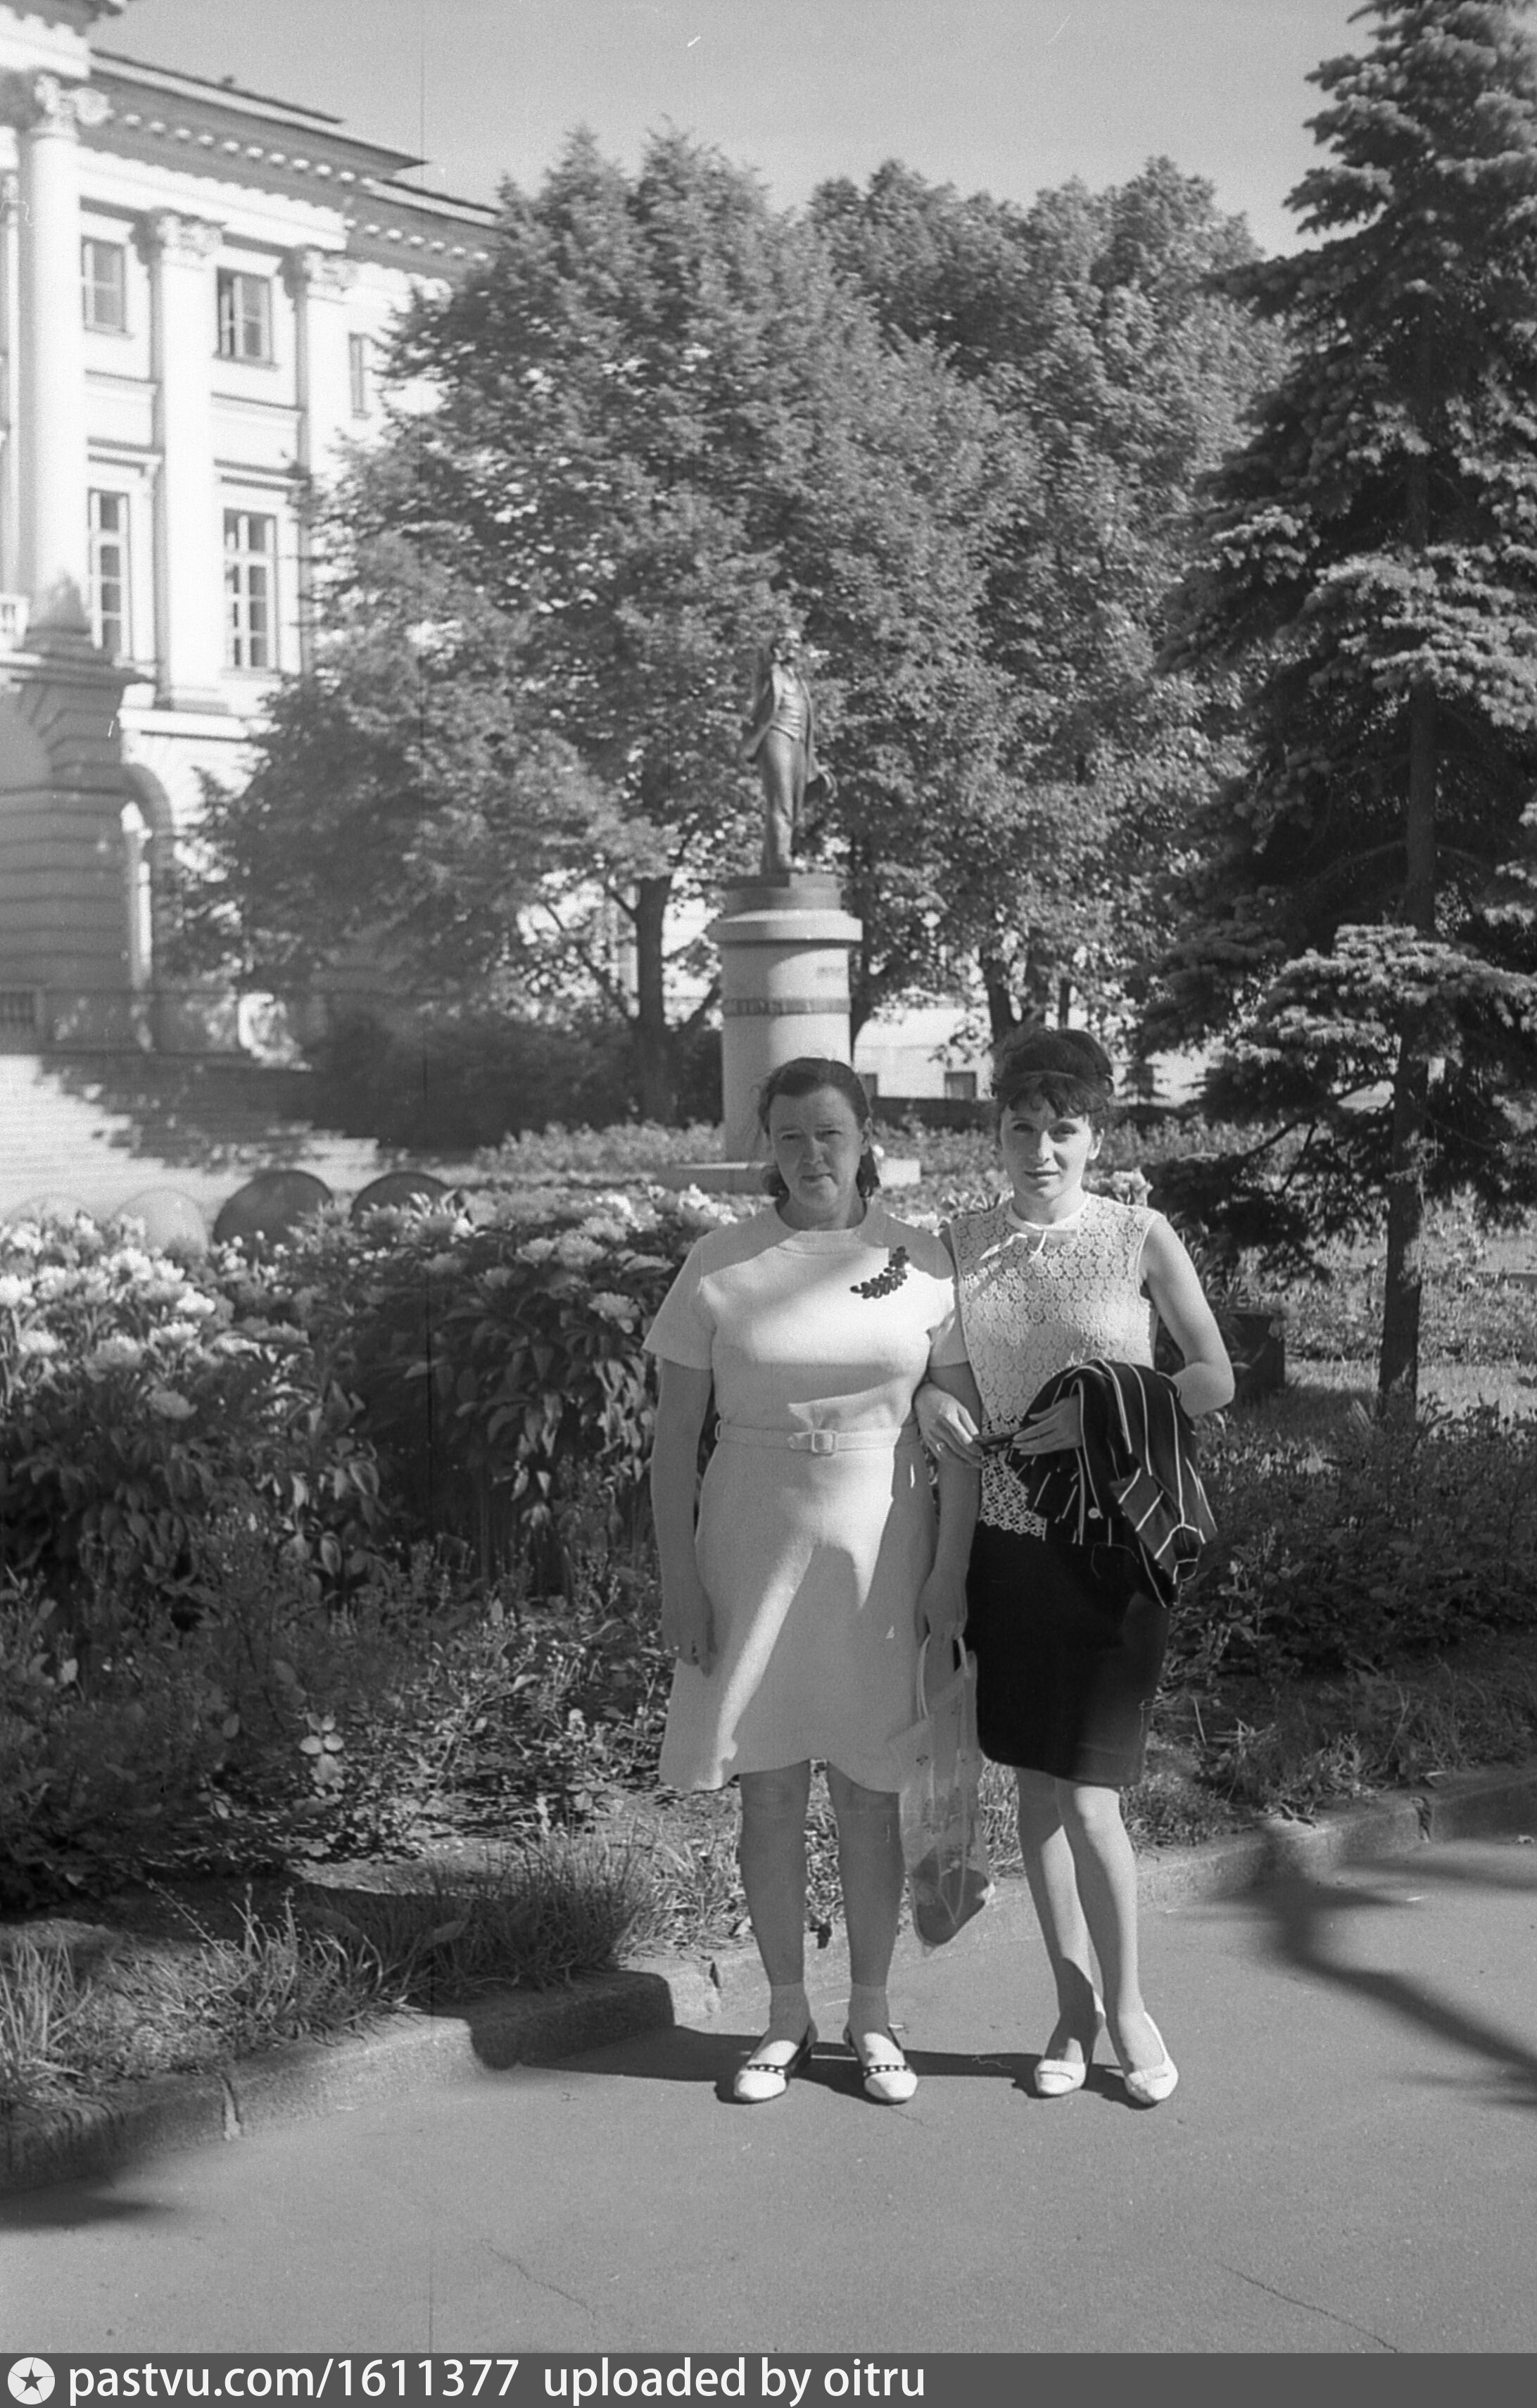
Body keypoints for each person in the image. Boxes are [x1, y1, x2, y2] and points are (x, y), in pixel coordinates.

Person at [647, 1057, 978, 2105]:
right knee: (772, 1788)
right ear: (769, 1145)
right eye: (789, 1135)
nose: (810, 1154)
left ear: (865, 1135)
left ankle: (870, 2012)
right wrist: (680, 1583)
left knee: (872, 1794)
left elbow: (963, 1433)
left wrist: (950, 1573)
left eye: (829, 1132)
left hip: (883, 1549)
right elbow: (672, 1443)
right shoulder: (720, 1262)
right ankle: (784, 2012)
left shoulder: (920, 1261)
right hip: (753, 1546)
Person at [917, 1028, 1232, 2107]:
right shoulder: (957, 1246)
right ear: (997, 1134)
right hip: (1008, 1553)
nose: (1041, 1148)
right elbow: (952, 1412)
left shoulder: (1140, 1234)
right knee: (1035, 1795)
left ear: (1096, 1136)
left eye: (1063, 1129)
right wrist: (931, 1401)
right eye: (1022, 1127)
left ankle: (1130, 2007)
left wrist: (1105, 1408)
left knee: (1091, 1796)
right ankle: (1070, 2009)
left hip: (1114, 1556)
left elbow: (1214, 1377)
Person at [740, 628, 835, 878]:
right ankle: (781, 858)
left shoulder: (799, 681)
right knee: (781, 800)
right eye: (787, 640)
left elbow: (807, 723)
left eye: (797, 641)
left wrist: (814, 764)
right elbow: (763, 659)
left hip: (798, 742)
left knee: (793, 804)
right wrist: (772, 653)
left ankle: (770, 863)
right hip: (776, 736)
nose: (794, 645)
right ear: (777, 645)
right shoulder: (769, 672)